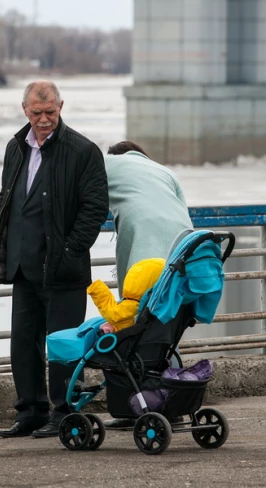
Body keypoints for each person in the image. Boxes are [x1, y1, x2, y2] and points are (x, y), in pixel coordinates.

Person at [0, 80, 109, 438]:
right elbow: (6, 199)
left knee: (64, 344)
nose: (43, 119)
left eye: (50, 112)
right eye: (36, 112)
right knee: (23, 342)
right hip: (23, 266)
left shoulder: (83, 151)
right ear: (24, 109)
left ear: (61, 106)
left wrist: (70, 251)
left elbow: (95, 208)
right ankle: (31, 412)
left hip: (63, 268)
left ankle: (65, 412)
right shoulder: (15, 148)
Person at [103, 140, 193, 428]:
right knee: (165, 332)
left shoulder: (111, 164)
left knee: (135, 328)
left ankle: (138, 405)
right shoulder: (164, 171)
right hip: (184, 253)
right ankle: (171, 402)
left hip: (146, 259)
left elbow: (83, 194)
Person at [105, 141, 194, 296]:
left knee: (136, 301)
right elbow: (182, 209)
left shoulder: (111, 162)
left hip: (143, 240)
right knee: (170, 299)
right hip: (184, 242)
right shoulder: (167, 172)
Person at [88, 257, 165, 333]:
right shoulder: (157, 305)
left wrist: (96, 290)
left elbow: (112, 313)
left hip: (122, 337)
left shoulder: (131, 306)